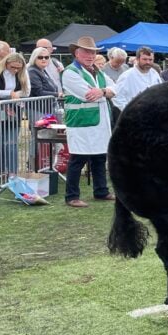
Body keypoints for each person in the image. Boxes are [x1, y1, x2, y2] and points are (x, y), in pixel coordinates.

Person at [61, 36, 115, 207]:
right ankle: (71, 196)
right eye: (86, 52)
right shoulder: (70, 72)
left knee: (100, 157)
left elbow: (116, 87)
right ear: (77, 53)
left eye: (93, 52)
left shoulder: (98, 72)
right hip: (81, 123)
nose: (90, 55)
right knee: (78, 159)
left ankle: (101, 191)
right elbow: (87, 95)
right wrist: (105, 93)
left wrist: (103, 91)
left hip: (99, 123)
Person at [112, 47, 163, 112]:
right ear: (137, 59)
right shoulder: (127, 76)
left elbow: (159, 94)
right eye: (144, 59)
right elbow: (118, 98)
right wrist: (130, 112)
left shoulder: (155, 74)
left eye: (150, 59)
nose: (148, 62)